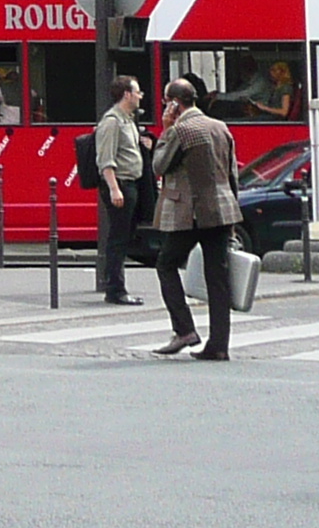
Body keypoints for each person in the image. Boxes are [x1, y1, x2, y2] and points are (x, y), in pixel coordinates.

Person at [143, 80, 238, 360]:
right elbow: (231, 172)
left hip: (191, 212)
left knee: (166, 264)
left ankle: (184, 329)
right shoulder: (220, 127)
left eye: (165, 102)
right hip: (221, 209)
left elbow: (159, 165)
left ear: (174, 103)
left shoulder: (181, 130)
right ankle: (219, 345)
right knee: (217, 279)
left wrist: (166, 129)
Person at [93, 78, 147, 306]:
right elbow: (105, 159)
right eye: (137, 91)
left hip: (130, 184)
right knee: (118, 239)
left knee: (124, 237)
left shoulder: (128, 120)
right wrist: (114, 188)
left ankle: (116, 287)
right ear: (126, 94)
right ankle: (115, 289)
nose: (140, 95)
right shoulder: (112, 121)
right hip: (121, 185)